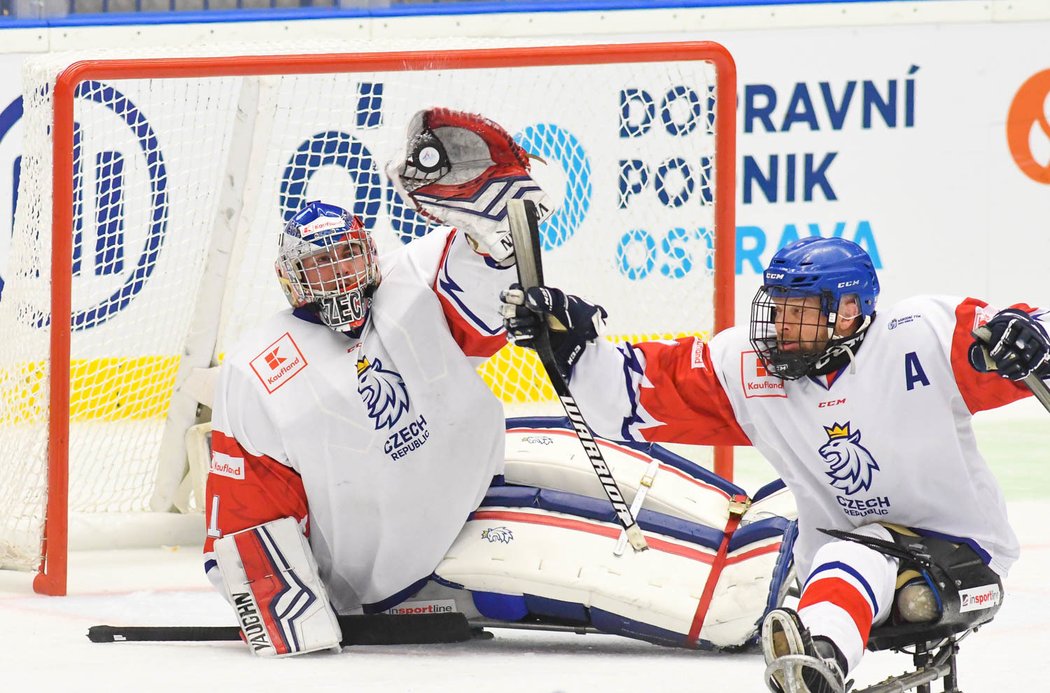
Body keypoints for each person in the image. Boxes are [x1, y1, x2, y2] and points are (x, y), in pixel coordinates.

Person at [501, 236, 1046, 692]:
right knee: (850, 550)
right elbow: (649, 386)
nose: (780, 325)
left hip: (962, 554)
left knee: (856, 550)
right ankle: (815, 660)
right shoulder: (748, 369)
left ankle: (817, 659)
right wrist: (573, 346)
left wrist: (1033, 338)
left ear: (849, 311)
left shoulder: (921, 335)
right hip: (840, 560)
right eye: (777, 307)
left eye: (800, 313)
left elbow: (1020, 329)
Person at [202, 108, 551, 655]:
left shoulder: (411, 279)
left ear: (369, 252)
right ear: (291, 278)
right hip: (378, 583)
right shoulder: (257, 369)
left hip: (481, 498)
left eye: (347, 255)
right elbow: (248, 506)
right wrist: (284, 605)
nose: (339, 274)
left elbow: (489, 292)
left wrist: (496, 226)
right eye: (321, 264)